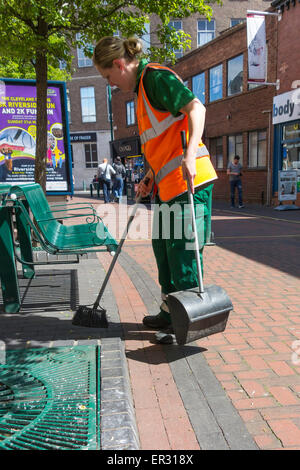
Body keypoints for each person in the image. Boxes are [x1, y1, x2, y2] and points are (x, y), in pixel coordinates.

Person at [93, 36, 217, 343]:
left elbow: (196, 109)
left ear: (120, 65)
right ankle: (169, 311)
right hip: (165, 186)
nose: (110, 84)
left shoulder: (157, 78)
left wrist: (189, 154)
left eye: (108, 76)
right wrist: (149, 174)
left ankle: (183, 324)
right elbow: (163, 140)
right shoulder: (140, 94)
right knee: (163, 250)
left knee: (183, 252)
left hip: (189, 182)